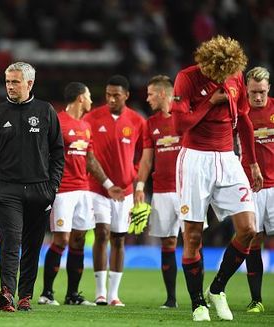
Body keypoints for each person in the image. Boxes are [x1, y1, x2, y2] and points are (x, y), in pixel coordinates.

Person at [172, 35, 263, 321]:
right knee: (193, 235)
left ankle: (217, 288)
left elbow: (245, 121)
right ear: (206, 64)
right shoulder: (187, 78)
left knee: (249, 228)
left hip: (228, 157)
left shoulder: (236, 77)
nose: (222, 77)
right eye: (216, 73)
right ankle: (198, 303)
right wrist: (209, 103)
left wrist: (253, 164)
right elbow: (179, 124)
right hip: (195, 159)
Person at [0, 62, 64, 312]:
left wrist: (52, 187)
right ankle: (7, 292)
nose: (10, 86)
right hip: (7, 191)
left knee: (32, 245)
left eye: (15, 81)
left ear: (29, 83)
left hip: (40, 191)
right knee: (10, 240)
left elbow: (58, 153)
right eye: (7, 81)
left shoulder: (46, 111)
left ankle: (25, 295)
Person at [39, 82, 121, 307]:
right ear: (80, 99)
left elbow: (90, 159)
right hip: (62, 190)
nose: (92, 101)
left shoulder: (85, 126)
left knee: (78, 240)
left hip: (83, 189)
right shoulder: (56, 121)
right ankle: (47, 293)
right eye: (89, 97)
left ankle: (72, 295)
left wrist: (107, 184)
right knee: (61, 239)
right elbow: (43, 154)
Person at [83, 75, 147, 306]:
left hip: (126, 191)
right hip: (98, 189)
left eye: (116, 95)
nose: (111, 99)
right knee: (101, 234)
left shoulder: (138, 121)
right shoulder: (91, 118)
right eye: (108, 94)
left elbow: (144, 156)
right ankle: (100, 292)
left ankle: (113, 294)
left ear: (126, 95)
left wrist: (136, 180)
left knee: (119, 239)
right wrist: (107, 183)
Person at [134, 75, 181, 309]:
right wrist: (140, 186)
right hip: (162, 191)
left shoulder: (186, 117)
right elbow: (146, 160)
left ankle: (199, 298)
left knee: (194, 240)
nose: (147, 98)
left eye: (151, 94)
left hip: (187, 189)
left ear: (163, 93)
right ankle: (171, 299)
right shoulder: (150, 123)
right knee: (168, 242)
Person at [241, 66, 273, 314]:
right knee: (254, 239)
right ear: (246, 89)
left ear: (268, 89)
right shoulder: (240, 112)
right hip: (250, 188)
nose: (258, 97)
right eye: (253, 92)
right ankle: (256, 300)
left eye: (262, 92)